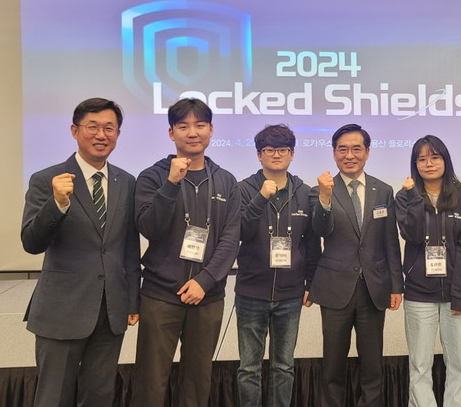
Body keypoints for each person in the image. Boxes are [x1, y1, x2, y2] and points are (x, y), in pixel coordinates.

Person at [21, 97, 140, 407]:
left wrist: (132, 299)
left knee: (99, 395)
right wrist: (57, 204)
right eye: (92, 127)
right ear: (75, 131)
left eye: (109, 128)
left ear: (117, 134)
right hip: (63, 308)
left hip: (111, 309)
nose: (101, 135)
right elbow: (31, 243)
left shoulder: (127, 182)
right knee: (54, 396)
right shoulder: (48, 179)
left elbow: (129, 247)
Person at [131, 98, 240, 407]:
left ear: (211, 130)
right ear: (171, 133)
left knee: (198, 379)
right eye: (183, 126)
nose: (192, 133)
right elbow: (149, 228)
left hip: (208, 296)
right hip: (160, 294)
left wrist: (204, 281)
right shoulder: (152, 176)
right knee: (151, 380)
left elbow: (231, 239)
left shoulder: (226, 180)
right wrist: (170, 184)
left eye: (200, 125)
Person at [308, 123, 403, 407]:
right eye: (343, 149)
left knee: (372, 365)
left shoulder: (383, 190)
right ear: (334, 153)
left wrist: (396, 285)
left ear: (367, 152)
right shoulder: (320, 190)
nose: (349, 155)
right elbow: (319, 230)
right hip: (336, 289)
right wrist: (324, 198)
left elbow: (390, 241)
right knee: (332, 365)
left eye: (356, 149)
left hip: (373, 288)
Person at [235, 124, 321, 407]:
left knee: (284, 366)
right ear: (259, 154)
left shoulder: (305, 192)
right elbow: (239, 232)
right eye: (269, 150)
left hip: (290, 294)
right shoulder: (243, 189)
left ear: (292, 154)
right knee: (249, 368)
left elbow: (311, 244)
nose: (276, 154)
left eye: (282, 149)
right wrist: (261, 198)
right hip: (251, 292)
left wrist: (310, 283)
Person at [396, 135, 461, 407]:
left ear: (445, 160)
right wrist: (414, 198)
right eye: (421, 159)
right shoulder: (404, 197)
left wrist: (460, 293)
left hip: (455, 291)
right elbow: (413, 235)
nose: (428, 164)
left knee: (458, 364)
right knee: (420, 365)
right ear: (414, 164)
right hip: (419, 293)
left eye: (434, 157)